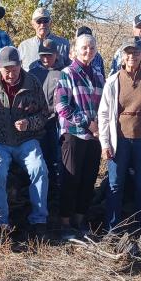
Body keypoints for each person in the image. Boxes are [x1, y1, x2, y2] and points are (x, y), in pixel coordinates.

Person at [0, 46, 50, 244]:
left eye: (14, 68)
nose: (10, 73)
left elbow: (43, 114)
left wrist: (29, 124)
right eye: (6, 68)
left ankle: (38, 221)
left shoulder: (32, 82)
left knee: (39, 169)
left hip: (26, 140)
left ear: (20, 65)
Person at [98, 38, 141, 238]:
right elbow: (104, 114)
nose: (132, 56)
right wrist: (105, 143)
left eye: (136, 53)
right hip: (120, 138)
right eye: (128, 53)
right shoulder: (113, 81)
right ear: (122, 57)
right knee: (116, 183)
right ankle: (112, 228)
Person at [54, 34, 105, 239]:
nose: (88, 52)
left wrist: (100, 126)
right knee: (71, 178)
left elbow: (104, 106)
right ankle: (64, 222)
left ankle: (79, 219)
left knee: (88, 179)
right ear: (75, 50)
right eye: (84, 48)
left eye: (92, 48)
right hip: (74, 134)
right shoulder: (67, 74)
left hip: (95, 136)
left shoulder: (99, 75)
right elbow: (61, 107)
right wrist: (87, 123)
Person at [28, 39, 67, 215]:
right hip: (36, 122)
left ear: (56, 55)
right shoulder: (33, 72)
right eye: (43, 55)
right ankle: (36, 197)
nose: (45, 59)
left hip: (56, 121)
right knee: (39, 160)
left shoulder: (63, 72)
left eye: (49, 55)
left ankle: (55, 198)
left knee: (56, 159)